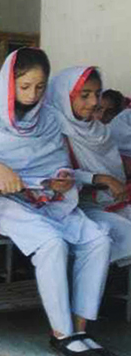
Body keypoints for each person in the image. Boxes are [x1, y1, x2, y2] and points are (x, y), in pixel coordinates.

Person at [0, 49, 117, 356]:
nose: (32, 95)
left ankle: (80, 330)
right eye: (24, 86)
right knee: (51, 244)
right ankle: (62, 334)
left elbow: (55, 165)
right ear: (8, 83)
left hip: (44, 199)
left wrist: (61, 179)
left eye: (40, 87)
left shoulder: (48, 118)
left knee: (98, 240)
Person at [48, 67, 131, 271]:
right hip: (75, 206)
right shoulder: (52, 130)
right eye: (84, 96)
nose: (94, 102)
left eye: (96, 94)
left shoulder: (99, 131)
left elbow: (118, 174)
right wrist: (100, 179)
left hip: (109, 201)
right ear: (64, 97)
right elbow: (52, 175)